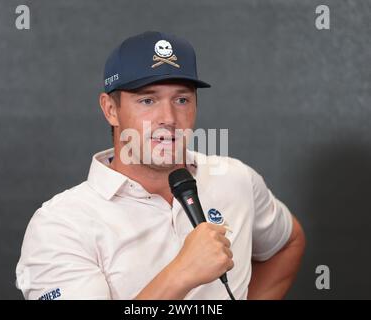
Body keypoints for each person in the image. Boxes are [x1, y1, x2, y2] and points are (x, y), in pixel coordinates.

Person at [16, 31, 305, 300]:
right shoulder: (61, 224)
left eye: (181, 99)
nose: (168, 117)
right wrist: (181, 274)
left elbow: (288, 242)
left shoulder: (235, 179)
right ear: (111, 109)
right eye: (147, 100)